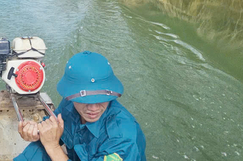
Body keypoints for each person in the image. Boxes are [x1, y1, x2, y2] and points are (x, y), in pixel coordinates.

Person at [14, 51, 146, 161]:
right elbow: (53, 129)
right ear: (70, 95)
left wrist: (53, 147)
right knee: (40, 147)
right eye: (84, 100)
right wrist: (36, 132)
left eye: (101, 99)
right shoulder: (69, 104)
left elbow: (53, 145)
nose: (93, 108)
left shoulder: (123, 137)